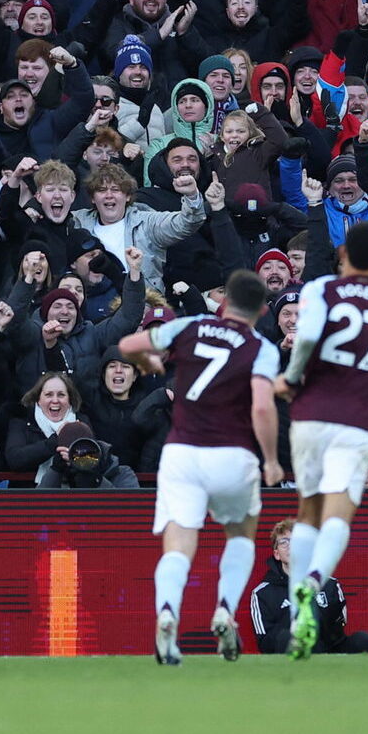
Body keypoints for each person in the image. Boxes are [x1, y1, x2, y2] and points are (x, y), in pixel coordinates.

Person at [273, 221, 368, 660]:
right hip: (357, 422)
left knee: (309, 509)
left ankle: (298, 582)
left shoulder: (320, 289)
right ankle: (314, 581)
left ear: (342, 253)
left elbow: (304, 339)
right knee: (339, 514)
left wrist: (293, 375)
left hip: (310, 416)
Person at [118, 269, 283, 665]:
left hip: (182, 453)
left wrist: (152, 362)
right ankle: (225, 608)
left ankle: (168, 613)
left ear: (224, 302)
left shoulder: (190, 326)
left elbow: (129, 343)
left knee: (178, 545)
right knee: (240, 536)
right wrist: (273, 459)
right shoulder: (262, 347)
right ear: (262, 309)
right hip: (232, 454)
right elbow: (261, 405)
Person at [248, 518, 368, 655]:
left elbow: (338, 628)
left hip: (328, 648)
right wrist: (296, 624)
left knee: (362, 640)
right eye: (284, 542)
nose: (292, 546)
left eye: (296, 541)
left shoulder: (330, 584)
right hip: (291, 652)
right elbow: (265, 641)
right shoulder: (262, 593)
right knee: (287, 638)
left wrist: (314, 613)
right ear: (277, 554)